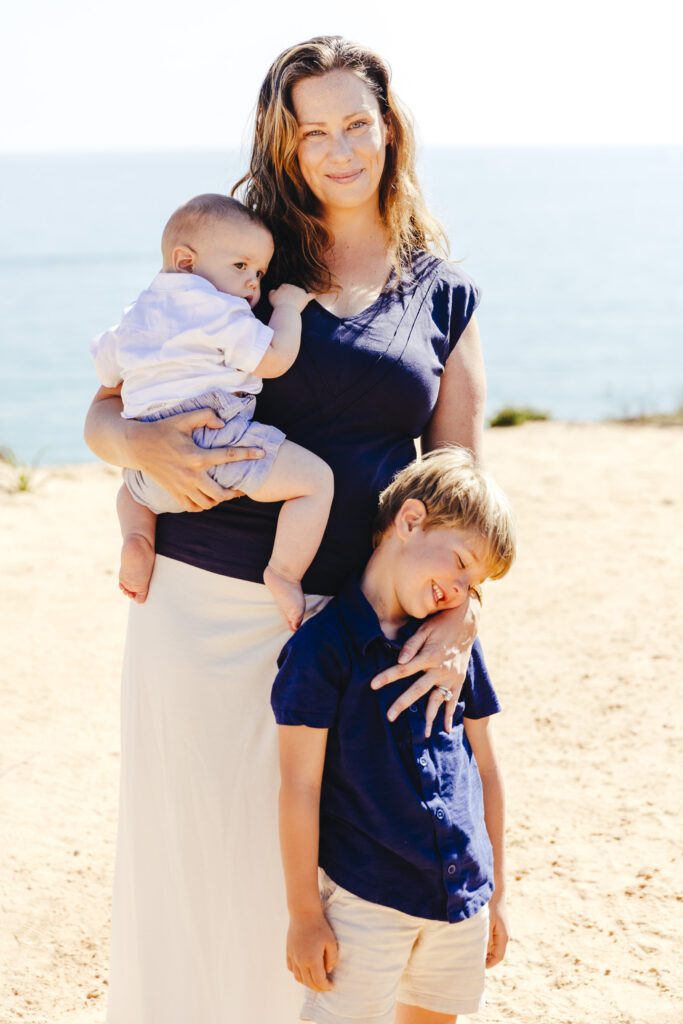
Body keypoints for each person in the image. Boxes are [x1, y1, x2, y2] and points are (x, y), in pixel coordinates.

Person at [84, 35, 489, 1024]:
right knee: (197, 859)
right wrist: (134, 441)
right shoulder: (243, 250)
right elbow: (103, 408)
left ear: (387, 128)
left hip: (351, 626)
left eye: (357, 122)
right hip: (200, 607)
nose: (340, 147)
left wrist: (462, 611)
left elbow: (459, 476)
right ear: (286, 143)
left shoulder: (441, 288)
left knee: (324, 879)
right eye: (314, 131)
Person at [273, 447, 514, 1024]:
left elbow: (485, 768)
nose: (459, 590)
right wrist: (305, 913)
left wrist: (498, 892)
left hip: (461, 896)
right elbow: (298, 786)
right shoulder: (321, 648)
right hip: (364, 899)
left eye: (473, 583)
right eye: (460, 562)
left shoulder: (455, 649)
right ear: (409, 521)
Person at [90, 193, 333, 630]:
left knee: (129, 493)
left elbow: (108, 370)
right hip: (217, 436)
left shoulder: (133, 316)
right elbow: (275, 358)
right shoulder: (218, 309)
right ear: (185, 262)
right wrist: (288, 309)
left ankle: (138, 538)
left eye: (258, 272)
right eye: (240, 266)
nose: (251, 285)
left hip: (150, 462)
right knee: (315, 482)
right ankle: (283, 572)